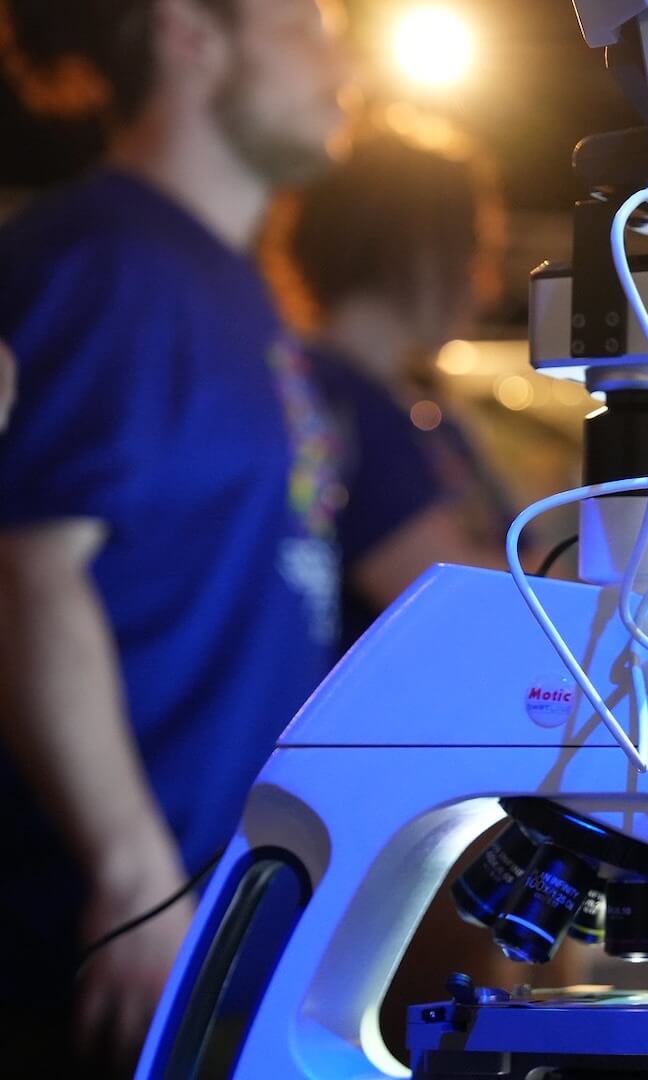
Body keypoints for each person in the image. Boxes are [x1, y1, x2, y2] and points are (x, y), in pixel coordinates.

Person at [0, 0, 346, 1074]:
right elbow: (26, 567)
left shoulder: (230, 283)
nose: (340, 63)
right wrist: (133, 870)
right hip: (107, 949)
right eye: (305, 25)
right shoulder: (105, 261)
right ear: (190, 33)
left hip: (214, 930)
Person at [262, 121, 514, 649]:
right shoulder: (328, 399)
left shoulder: (416, 406)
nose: (483, 286)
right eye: (473, 252)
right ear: (418, 249)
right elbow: (455, 611)